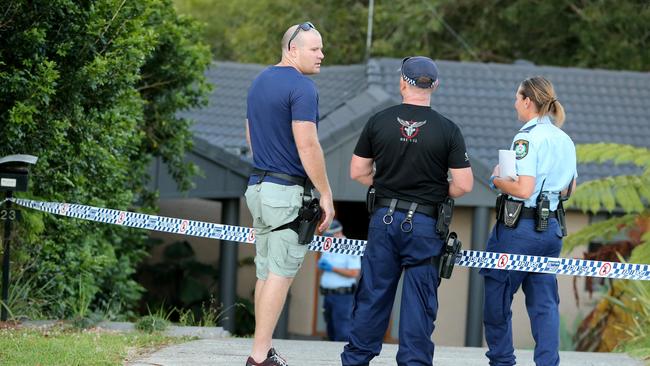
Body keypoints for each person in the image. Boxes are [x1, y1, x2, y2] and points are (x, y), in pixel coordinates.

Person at [342, 56, 474, 366]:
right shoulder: (448, 129)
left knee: (373, 296)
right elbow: (465, 184)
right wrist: (438, 191)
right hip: (425, 225)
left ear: (402, 82)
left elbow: (357, 171)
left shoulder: (379, 121)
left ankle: (356, 360)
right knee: (419, 303)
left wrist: (387, 183)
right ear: (435, 86)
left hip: (384, 220)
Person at [243, 21, 335, 366]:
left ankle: (262, 349)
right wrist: (325, 194)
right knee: (280, 276)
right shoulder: (302, 88)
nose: (321, 55)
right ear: (292, 50)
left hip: (257, 187)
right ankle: (258, 357)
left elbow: (251, 133)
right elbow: (308, 144)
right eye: (315, 49)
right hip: (284, 191)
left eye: (321, 48)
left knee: (265, 273)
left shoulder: (259, 82)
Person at [483, 76, 577, 366]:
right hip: (551, 230)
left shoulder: (526, 137)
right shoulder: (565, 139)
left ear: (528, 101)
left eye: (517, 98)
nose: (514, 104)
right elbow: (568, 190)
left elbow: (523, 189)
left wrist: (498, 178)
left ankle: (502, 361)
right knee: (545, 302)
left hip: (519, 229)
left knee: (497, 295)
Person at [318, 219, 361, 342]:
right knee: (330, 330)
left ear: (338, 233)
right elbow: (323, 271)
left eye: (330, 236)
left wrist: (333, 268)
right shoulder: (328, 245)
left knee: (342, 332)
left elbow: (354, 273)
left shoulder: (350, 247)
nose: (328, 239)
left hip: (343, 296)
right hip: (327, 295)